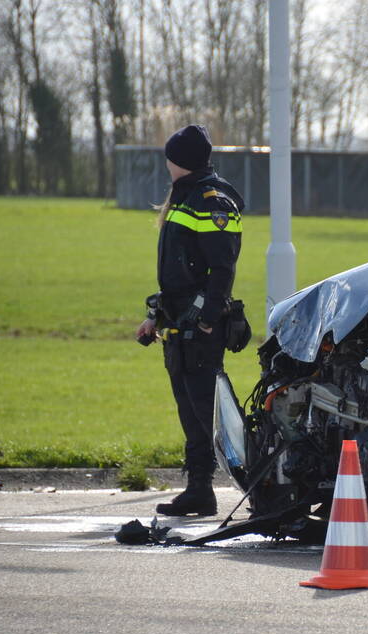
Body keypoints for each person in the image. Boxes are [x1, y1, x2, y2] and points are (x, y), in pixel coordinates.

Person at [135, 124, 245, 517]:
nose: (166, 164)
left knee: (209, 411)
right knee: (191, 412)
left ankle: (258, 486)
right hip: (179, 324)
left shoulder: (211, 201)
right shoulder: (184, 197)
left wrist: (207, 318)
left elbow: (222, 269)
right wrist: (155, 316)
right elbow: (180, 273)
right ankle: (199, 490)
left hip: (200, 326)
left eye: (169, 157)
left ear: (178, 160)